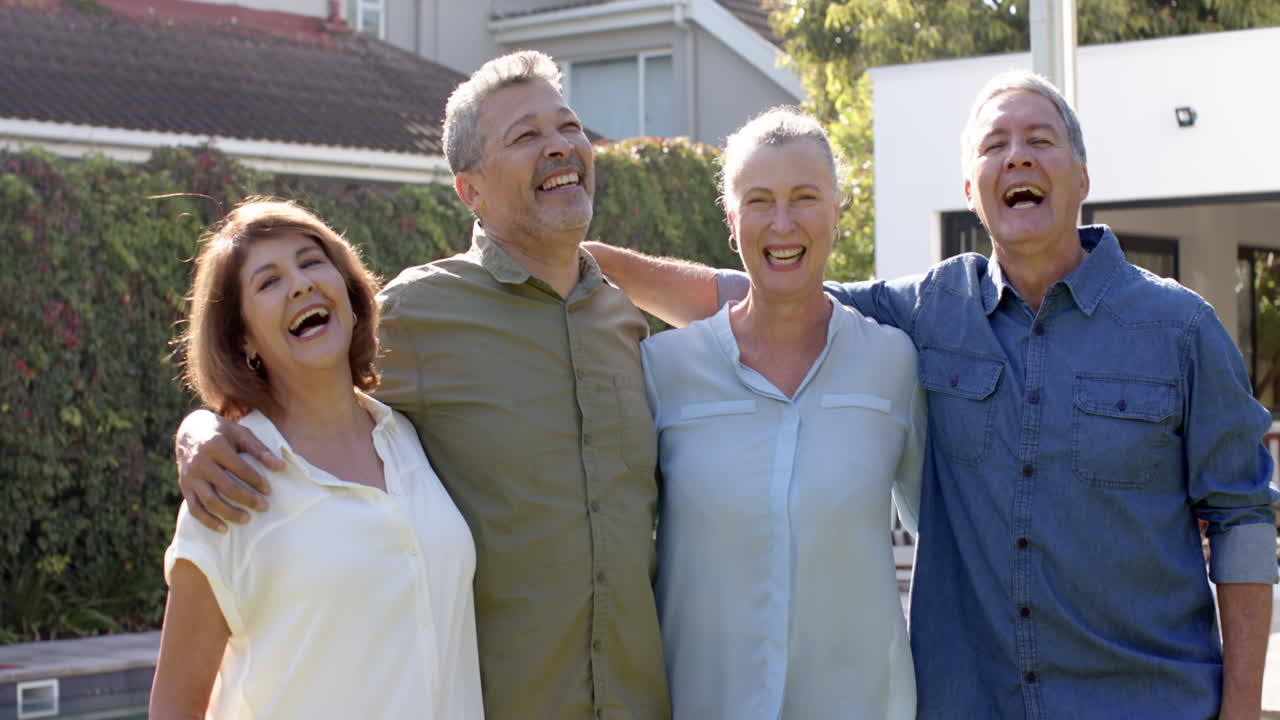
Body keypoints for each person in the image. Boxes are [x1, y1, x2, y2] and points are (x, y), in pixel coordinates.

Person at [585, 71, 1277, 719]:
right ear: (970, 190)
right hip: (972, 701)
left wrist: (1241, 709)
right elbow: (767, 292)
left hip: (1146, 703)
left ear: (1084, 175)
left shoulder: (1181, 328)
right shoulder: (930, 309)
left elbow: (1243, 522)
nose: (1017, 158)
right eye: (993, 146)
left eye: (1040, 140)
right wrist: (571, 258)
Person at [170, 52, 669, 720]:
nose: (559, 147)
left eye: (569, 127)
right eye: (526, 136)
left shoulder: (623, 319)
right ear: (471, 190)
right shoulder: (420, 315)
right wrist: (198, 431)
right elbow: (302, 392)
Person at [149, 199, 482, 719]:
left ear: (347, 292)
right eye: (268, 282)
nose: (300, 284)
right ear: (243, 338)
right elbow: (174, 708)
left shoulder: (411, 436)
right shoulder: (229, 482)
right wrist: (197, 428)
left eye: (310, 262)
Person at [644, 107, 925, 719]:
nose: (782, 223)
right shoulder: (662, 371)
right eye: (759, 201)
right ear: (730, 218)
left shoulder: (895, 364)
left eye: (804, 197)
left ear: (838, 211)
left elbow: (951, 539)